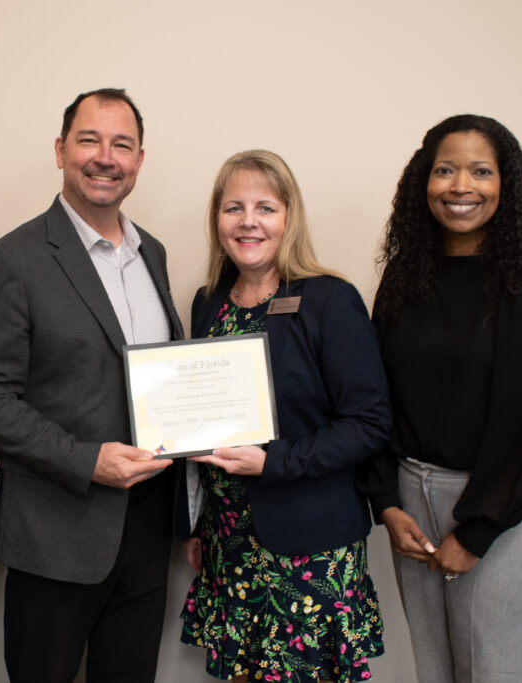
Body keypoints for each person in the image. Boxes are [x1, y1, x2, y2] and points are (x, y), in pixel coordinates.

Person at [0, 88, 184, 683]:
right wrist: (88, 462)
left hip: (147, 527)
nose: (105, 157)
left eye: (122, 144)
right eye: (89, 140)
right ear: (60, 150)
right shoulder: (15, 257)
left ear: (139, 159)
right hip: (57, 531)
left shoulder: (152, 254)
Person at [357, 114, 522, 682]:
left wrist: (479, 529)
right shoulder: (406, 277)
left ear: (507, 185)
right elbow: (375, 395)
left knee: (491, 673)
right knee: (434, 672)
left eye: (481, 171)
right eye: (446, 170)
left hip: (502, 506)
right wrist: (387, 504)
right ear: (422, 182)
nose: (462, 186)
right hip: (413, 499)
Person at [180, 150, 392, 683]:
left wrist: (271, 463)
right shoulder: (208, 304)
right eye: (234, 207)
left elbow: (369, 423)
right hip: (230, 541)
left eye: (265, 208)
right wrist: (198, 524)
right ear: (217, 219)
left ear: (289, 218)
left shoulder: (329, 300)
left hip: (310, 543)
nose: (248, 221)